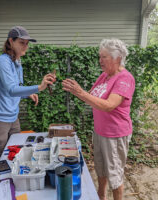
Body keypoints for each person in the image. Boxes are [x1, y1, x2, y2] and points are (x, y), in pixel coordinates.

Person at [62, 39, 135, 200]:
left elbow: (109, 105)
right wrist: (76, 91)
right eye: (99, 56)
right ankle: (101, 196)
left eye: (104, 57)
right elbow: (90, 96)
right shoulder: (104, 76)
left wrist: (80, 92)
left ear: (117, 58)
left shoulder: (124, 78)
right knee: (101, 170)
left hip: (115, 135)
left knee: (115, 176)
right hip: (100, 131)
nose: (100, 60)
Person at [0, 26, 56, 169]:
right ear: (11, 41)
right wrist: (39, 88)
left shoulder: (17, 62)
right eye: (22, 42)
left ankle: (12, 187)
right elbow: (11, 90)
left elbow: (16, 87)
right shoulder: (3, 61)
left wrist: (28, 94)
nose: (25, 46)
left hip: (12, 117)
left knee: (15, 155)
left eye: (27, 43)